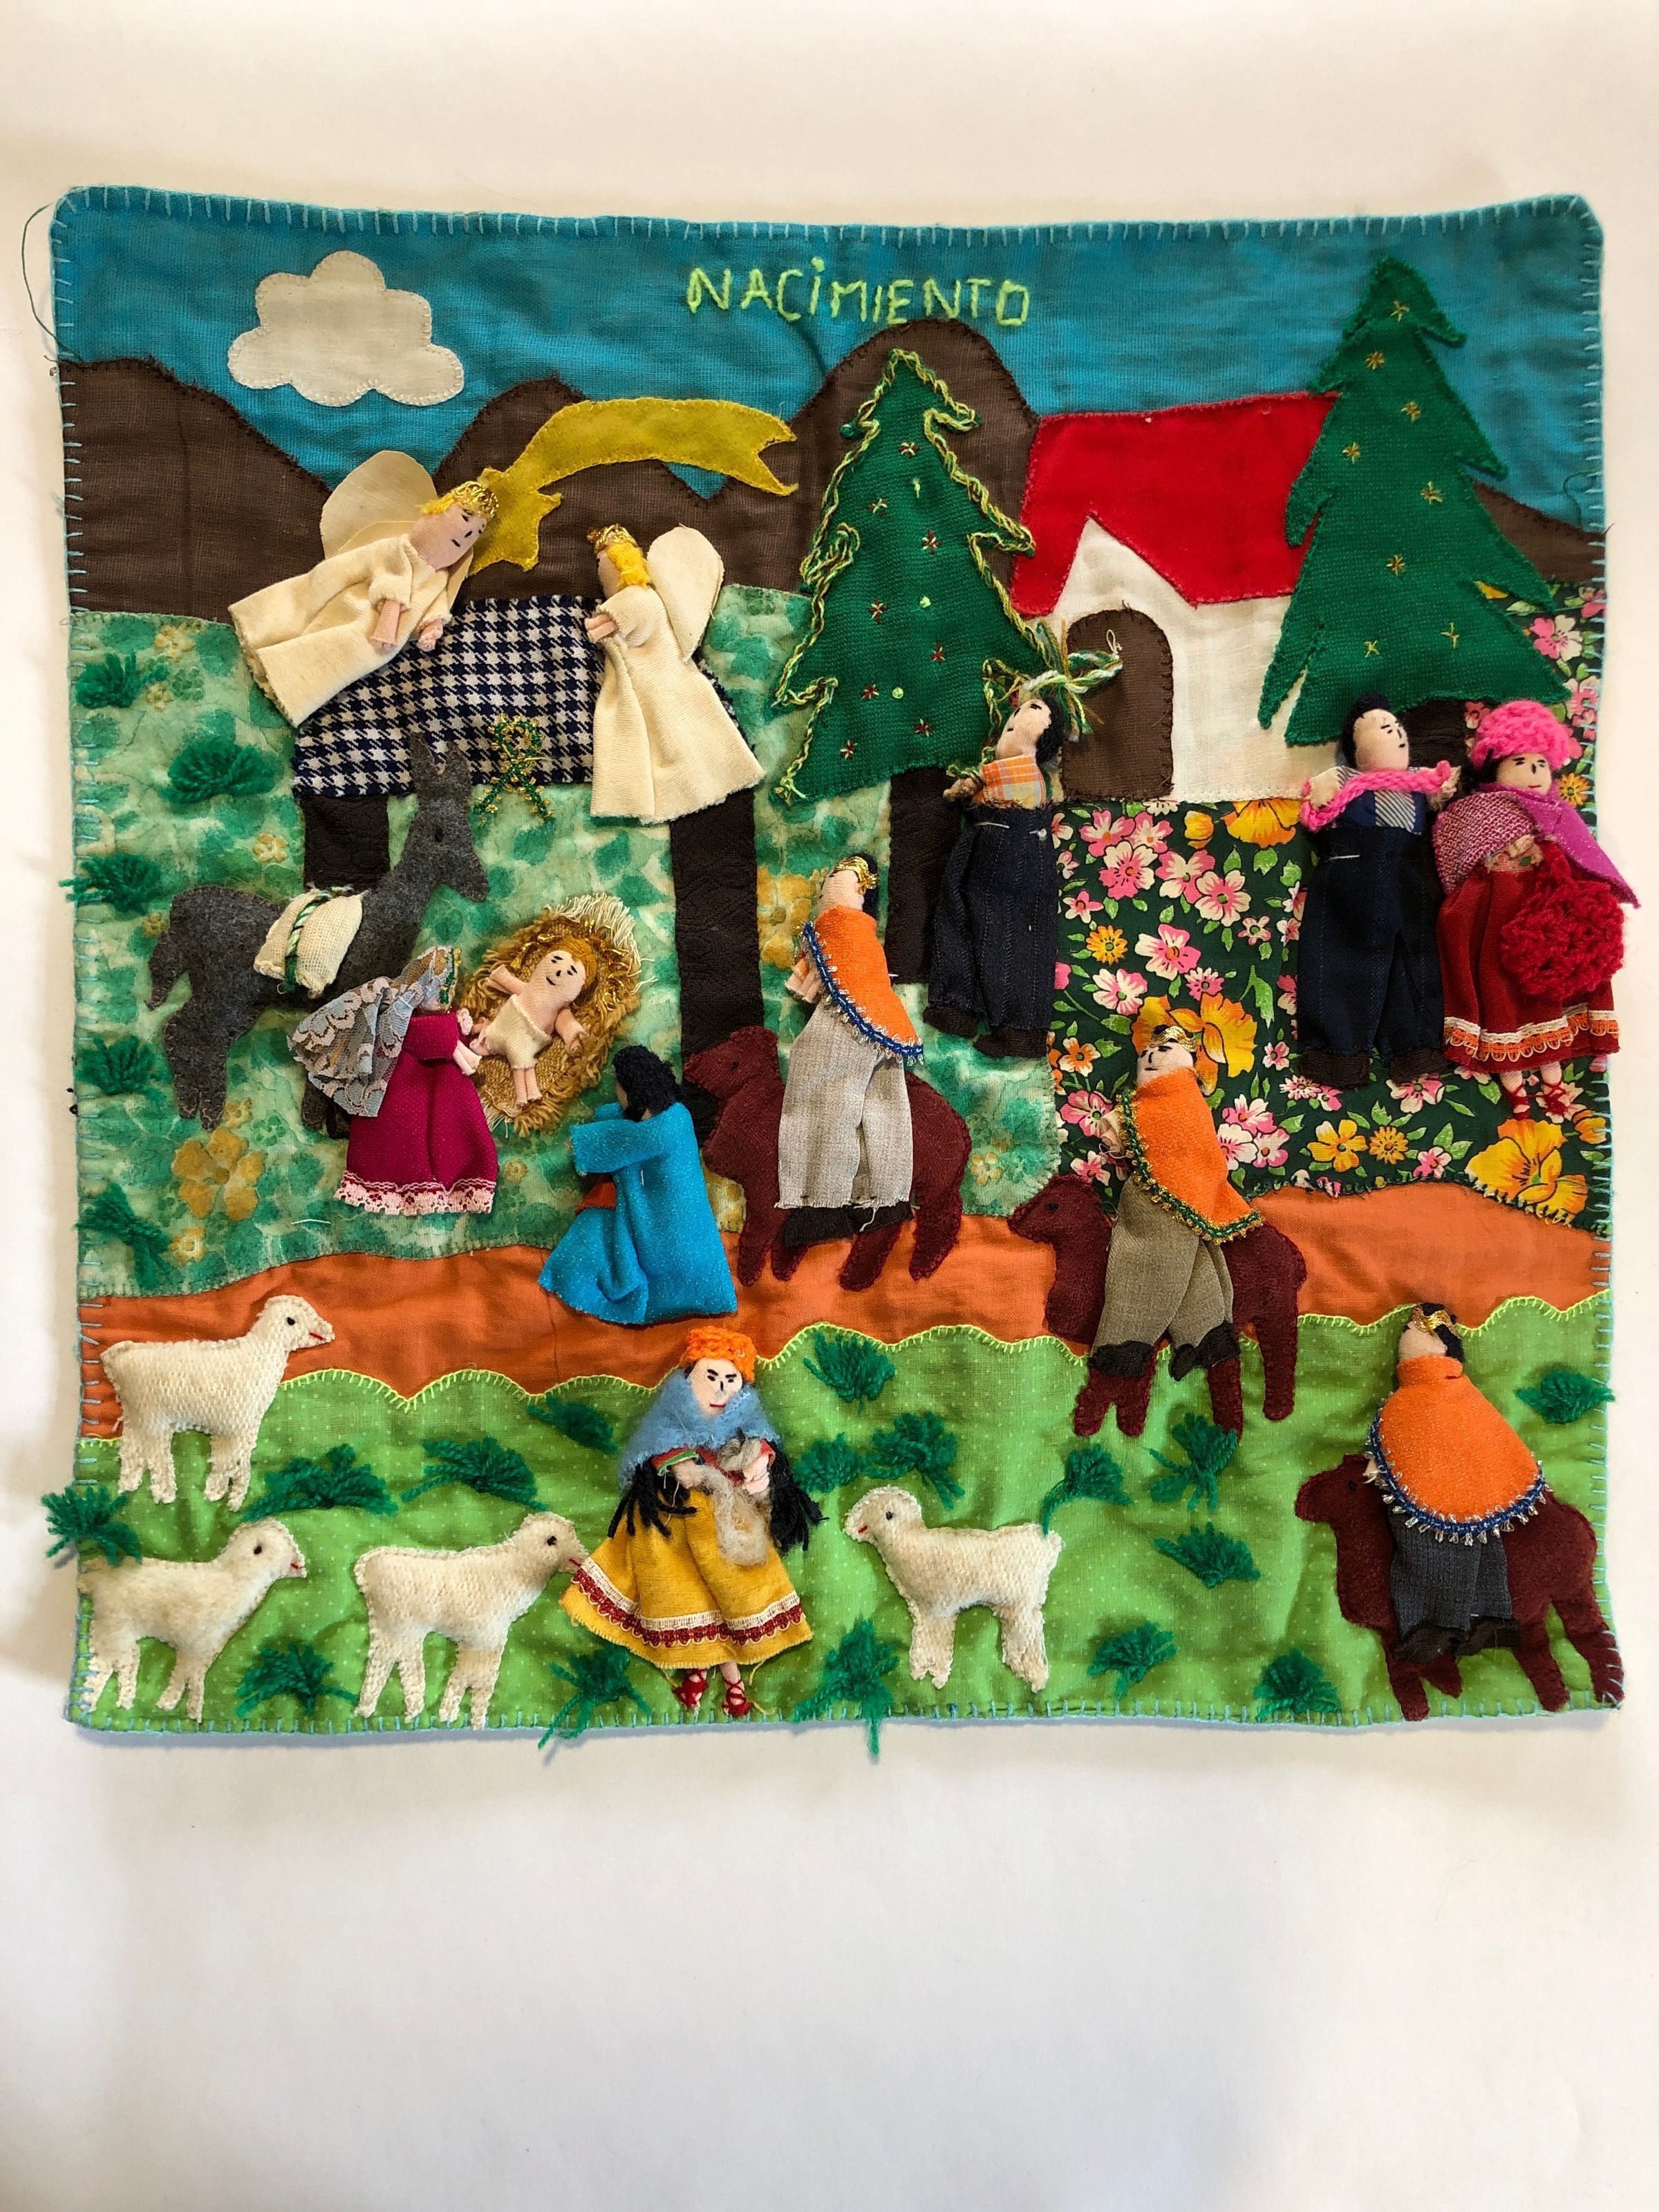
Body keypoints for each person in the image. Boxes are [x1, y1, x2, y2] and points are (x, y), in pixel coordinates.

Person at [560, 1328, 819, 1717]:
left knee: (727, 1596)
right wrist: (681, 1467)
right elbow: (657, 1449)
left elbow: (762, 1452)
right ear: (690, 1377)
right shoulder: (669, 1417)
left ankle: (713, 1681)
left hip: (729, 1525)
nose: (720, 1388)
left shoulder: (749, 1422)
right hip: (675, 1520)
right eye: (710, 1377)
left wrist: (759, 1470)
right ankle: (717, 1681)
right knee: (689, 1595)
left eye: (730, 1379)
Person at [1433, 699, 1633, 1121]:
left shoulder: (1560, 813)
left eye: (1541, 763)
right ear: (1496, 767)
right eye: (1521, 762)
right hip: (1499, 913)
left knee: (1555, 989)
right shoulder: (1478, 810)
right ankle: (1514, 1081)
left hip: (1554, 919)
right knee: (1502, 987)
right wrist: (1498, 859)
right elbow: (1459, 862)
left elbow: (1584, 856)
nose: (1534, 771)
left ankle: (1553, 1078)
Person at [231, 455, 495, 724]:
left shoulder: (439, 578)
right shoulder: (398, 548)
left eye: (474, 534)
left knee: (338, 658)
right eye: (464, 520)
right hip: (360, 604)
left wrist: (433, 626)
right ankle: (270, 649)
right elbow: (383, 576)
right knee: (321, 627)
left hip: (374, 644)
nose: (465, 536)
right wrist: (389, 617)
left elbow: (436, 604)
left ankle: (285, 681)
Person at [1295, 694, 1459, 1088]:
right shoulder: (1345, 779)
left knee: (1412, 957)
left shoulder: (1419, 781)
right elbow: (1316, 797)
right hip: (1351, 864)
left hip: (1405, 867)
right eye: (1385, 730)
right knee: (1343, 953)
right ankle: (1337, 1054)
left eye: (1398, 730)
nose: (1397, 737)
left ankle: (1415, 1048)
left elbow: (1441, 789)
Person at [1366, 1302, 1542, 1664]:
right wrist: (1384, 1461)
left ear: (1439, 1345)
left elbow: (1487, 1436)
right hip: (1436, 1494)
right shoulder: (1421, 1395)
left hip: (1453, 1500)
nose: (1405, 1338)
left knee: (1445, 1557)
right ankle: (1471, 1623)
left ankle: (1447, 1627)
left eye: (1412, 1332)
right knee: (1465, 1553)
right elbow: (1402, 1435)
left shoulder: (1450, 1394)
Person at [1088, 1025, 1260, 1386]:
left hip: (1172, 1194)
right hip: (1168, 1193)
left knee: (1145, 1260)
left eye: (1163, 1052)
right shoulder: (1148, 1103)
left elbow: (1200, 1150)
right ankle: (1207, 1337)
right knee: (1190, 1261)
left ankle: (1125, 1344)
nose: (1151, 1057)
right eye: (1146, 1055)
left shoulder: (1185, 1101)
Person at [777, 853, 920, 1249]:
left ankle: (819, 1205)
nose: (827, 897)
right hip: (887, 1022)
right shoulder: (866, 939)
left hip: (852, 1015)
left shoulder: (843, 924)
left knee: (821, 1094)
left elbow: (831, 972)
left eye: (835, 887)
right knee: (881, 1104)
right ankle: (883, 1200)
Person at [289, 946, 496, 1215]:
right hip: (403, 1081)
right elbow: (423, 1037)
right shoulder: (399, 1016)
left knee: (457, 1123)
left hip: (445, 1082)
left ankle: (460, 1178)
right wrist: (450, 1033)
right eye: (441, 989)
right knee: (400, 1129)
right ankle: (399, 1182)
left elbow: (456, 1038)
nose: (445, 997)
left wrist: (465, 1029)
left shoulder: (444, 1016)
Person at [538, 1047, 738, 1326]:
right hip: (679, 1213)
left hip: (673, 1221)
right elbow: (629, 1124)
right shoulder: (675, 1113)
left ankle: (675, 1298)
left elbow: (631, 1139)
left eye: (618, 1086)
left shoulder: (667, 1126)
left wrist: (582, 1143)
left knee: (670, 1262)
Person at [584, 524, 762, 822]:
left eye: (604, 563)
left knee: (671, 739)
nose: (602, 571)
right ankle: (708, 782)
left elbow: (598, 628)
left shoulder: (636, 597)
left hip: (657, 681)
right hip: (671, 677)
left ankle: (685, 794)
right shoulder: (651, 598)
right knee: (688, 735)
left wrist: (592, 627)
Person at [924, 684, 1060, 1059]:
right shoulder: (998, 772)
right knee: (958, 911)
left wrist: (973, 786)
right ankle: (957, 1004)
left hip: (1016, 839)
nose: (1011, 728)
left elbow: (996, 786)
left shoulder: (1024, 772)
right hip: (984, 836)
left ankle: (1019, 1028)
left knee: (1011, 928)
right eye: (1010, 724)